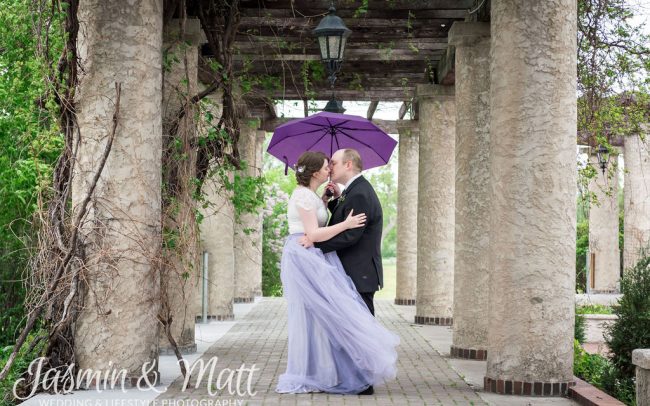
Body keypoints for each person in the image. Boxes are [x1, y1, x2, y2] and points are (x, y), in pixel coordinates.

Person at [275, 151, 399, 395]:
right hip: (310, 257)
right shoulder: (308, 195)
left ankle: (362, 377)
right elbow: (318, 229)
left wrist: (328, 211)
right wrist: (338, 214)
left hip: (354, 267)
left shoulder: (358, 192)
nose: (329, 168)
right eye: (325, 165)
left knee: (351, 320)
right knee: (334, 319)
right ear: (314, 173)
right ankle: (353, 376)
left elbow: (342, 233)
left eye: (332, 163)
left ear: (348, 164)